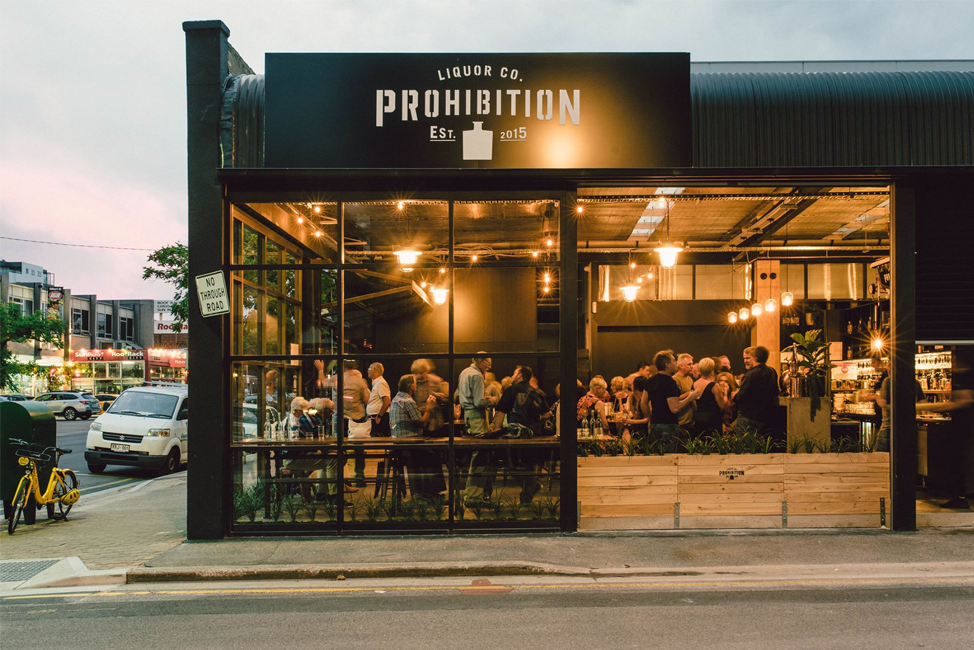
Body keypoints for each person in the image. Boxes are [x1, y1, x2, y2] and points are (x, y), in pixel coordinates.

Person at [489, 365, 551, 503]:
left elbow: (501, 414)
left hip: (515, 436)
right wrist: (536, 422)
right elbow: (547, 414)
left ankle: (531, 487)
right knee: (529, 465)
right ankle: (527, 495)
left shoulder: (511, 390)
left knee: (510, 464)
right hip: (533, 436)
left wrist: (493, 432)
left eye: (514, 373)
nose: (512, 376)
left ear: (519, 376)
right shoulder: (536, 392)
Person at [918, 358, 974, 509]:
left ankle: (961, 497)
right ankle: (960, 496)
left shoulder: (968, 376)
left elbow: (962, 401)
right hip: (960, 428)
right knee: (959, 462)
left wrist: (936, 407)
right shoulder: (962, 377)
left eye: (956, 362)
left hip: (965, 429)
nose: (953, 364)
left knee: (961, 461)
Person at [389, 374, 444, 500]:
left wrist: (419, 409)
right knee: (433, 459)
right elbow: (422, 423)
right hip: (409, 443)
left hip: (399, 442)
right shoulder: (408, 401)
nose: (416, 386)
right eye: (415, 383)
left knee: (428, 456)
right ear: (411, 386)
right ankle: (431, 494)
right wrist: (429, 408)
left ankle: (423, 492)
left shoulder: (397, 398)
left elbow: (410, 415)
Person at [459, 354, 497, 501]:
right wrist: (492, 400)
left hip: (467, 416)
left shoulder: (464, 372)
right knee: (480, 457)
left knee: (477, 457)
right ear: (480, 362)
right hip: (477, 418)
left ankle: (483, 491)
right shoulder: (477, 376)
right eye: (488, 363)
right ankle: (474, 494)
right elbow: (479, 403)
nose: (489, 366)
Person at [284, 397, 337, 501]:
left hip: (293, 456)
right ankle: (334, 497)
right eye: (331, 412)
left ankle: (321, 493)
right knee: (333, 460)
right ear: (326, 411)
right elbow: (323, 447)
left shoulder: (311, 419)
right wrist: (335, 450)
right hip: (293, 459)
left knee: (329, 458)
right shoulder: (315, 423)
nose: (332, 415)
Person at [645, 350, 702, 443]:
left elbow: (643, 403)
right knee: (669, 456)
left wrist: (649, 419)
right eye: (674, 361)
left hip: (655, 425)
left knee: (656, 454)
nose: (676, 363)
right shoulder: (670, 382)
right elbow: (675, 408)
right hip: (668, 426)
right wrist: (691, 397)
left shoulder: (650, 381)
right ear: (667, 364)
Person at [732, 346, 780, 436]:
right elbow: (775, 392)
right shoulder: (772, 371)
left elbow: (741, 397)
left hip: (749, 417)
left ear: (755, 357)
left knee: (747, 447)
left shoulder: (750, 374)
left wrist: (734, 396)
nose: (745, 361)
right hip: (766, 417)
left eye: (747, 358)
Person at [341, 360, 371, 487]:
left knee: (341, 449)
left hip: (342, 418)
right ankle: (359, 476)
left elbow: (323, 384)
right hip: (357, 417)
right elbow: (366, 400)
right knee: (359, 449)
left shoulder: (340, 379)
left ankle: (343, 477)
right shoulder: (360, 381)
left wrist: (320, 370)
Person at [412, 358, 448, 436]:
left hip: (435, 422)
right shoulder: (411, 382)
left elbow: (446, 400)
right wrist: (416, 409)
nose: (419, 376)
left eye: (421, 373)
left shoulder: (436, 381)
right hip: (419, 423)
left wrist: (439, 396)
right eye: (416, 373)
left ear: (427, 371)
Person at [692, 357, 727, 436]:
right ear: (712, 370)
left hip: (698, 417)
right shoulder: (714, 386)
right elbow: (722, 405)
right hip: (712, 419)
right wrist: (725, 393)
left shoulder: (694, 384)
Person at [367, 362, 391, 437]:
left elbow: (387, 401)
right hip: (376, 418)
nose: (368, 371)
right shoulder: (376, 383)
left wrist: (379, 416)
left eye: (369, 369)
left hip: (379, 419)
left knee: (378, 442)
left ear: (375, 370)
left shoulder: (381, 383)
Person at [673, 353, 697, 430]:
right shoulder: (675, 379)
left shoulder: (689, 378)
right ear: (680, 366)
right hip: (682, 422)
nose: (692, 366)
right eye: (689, 364)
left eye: (692, 364)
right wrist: (689, 393)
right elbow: (674, 399)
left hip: (691, 419)